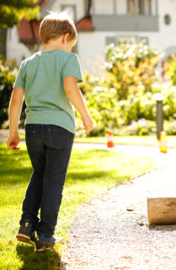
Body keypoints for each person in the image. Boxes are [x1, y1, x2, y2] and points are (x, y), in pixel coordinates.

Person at [7, 11, 94, 252]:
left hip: (33, 129)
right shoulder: (68, 59)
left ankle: (26, 225)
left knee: (38, 174)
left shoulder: (28, 63)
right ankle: (45, 236)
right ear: (66, 38)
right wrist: (86, 116)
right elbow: (70, 87)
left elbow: (16, 100)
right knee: (54, 181)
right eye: (71, 45)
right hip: (60, 127)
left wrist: (14, 131)